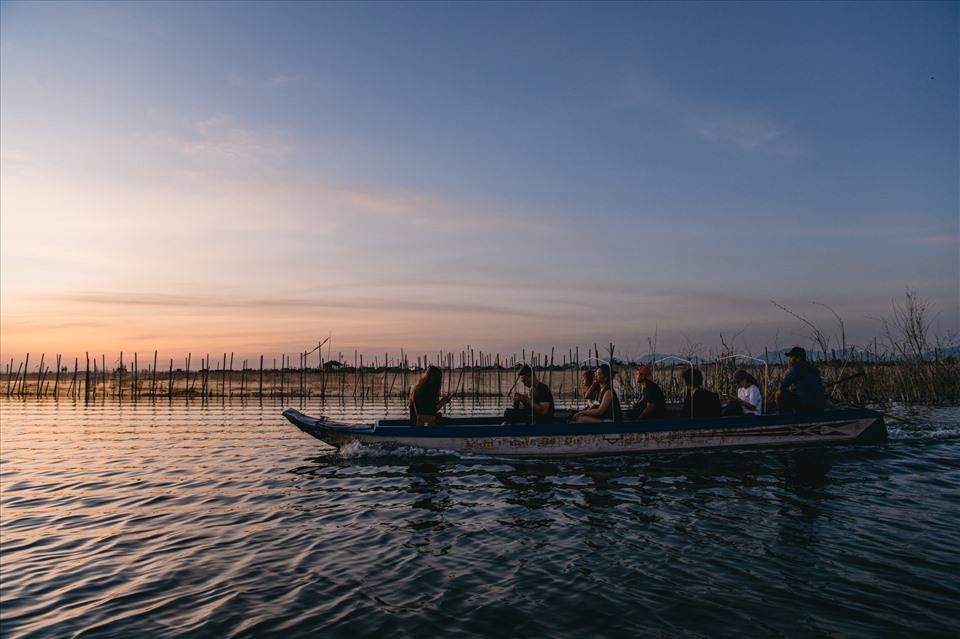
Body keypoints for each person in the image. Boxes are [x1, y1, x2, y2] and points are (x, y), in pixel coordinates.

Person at [776, 347, 826, 413]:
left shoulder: (797, 368)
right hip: (821, 405)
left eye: (791, 357)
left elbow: (782, 385)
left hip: (806, 405)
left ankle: (783, 416)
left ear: (798, 358)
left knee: (779, 393)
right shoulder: (813, 368)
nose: (789, 360)